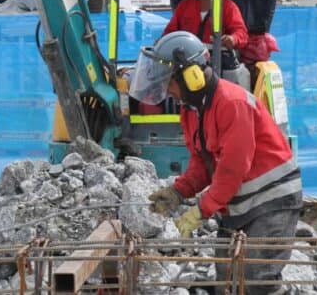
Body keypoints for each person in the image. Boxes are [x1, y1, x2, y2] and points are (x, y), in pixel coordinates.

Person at [129, 31, 302, 295]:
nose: (167, 91)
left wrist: (201, 210)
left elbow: (232, 170)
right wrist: (178, 191)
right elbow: (203, 163)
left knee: (257, 281)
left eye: (169, 82)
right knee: (228, 280)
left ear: (192, 76)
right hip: (241, 204)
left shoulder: (232, 104)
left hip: (272, 201)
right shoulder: (191, 110)